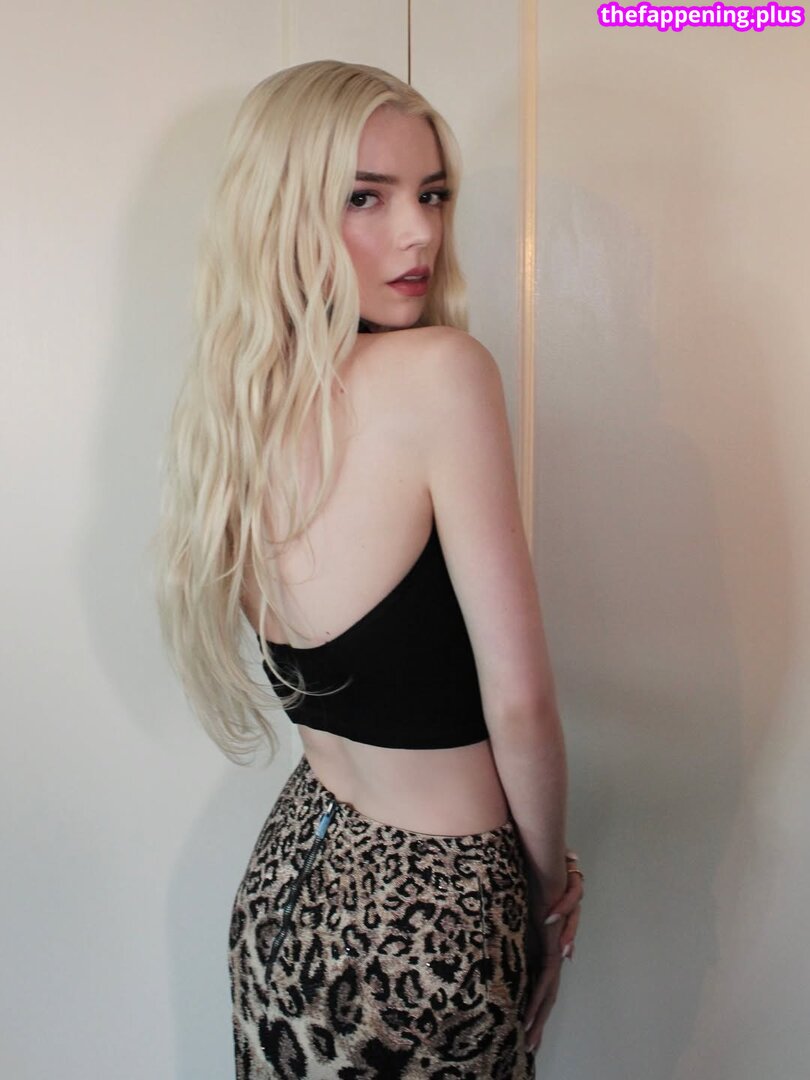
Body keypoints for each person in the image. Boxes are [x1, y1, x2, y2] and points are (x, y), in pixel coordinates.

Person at [153, 59, 583, 1079]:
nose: (420, 233)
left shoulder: (242, 414)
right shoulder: (443, 375)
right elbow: (520, 701)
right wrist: (543, 890)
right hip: (430, 918)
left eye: (432, 194)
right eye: (366, 197)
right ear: (283, 214)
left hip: (290, 888)